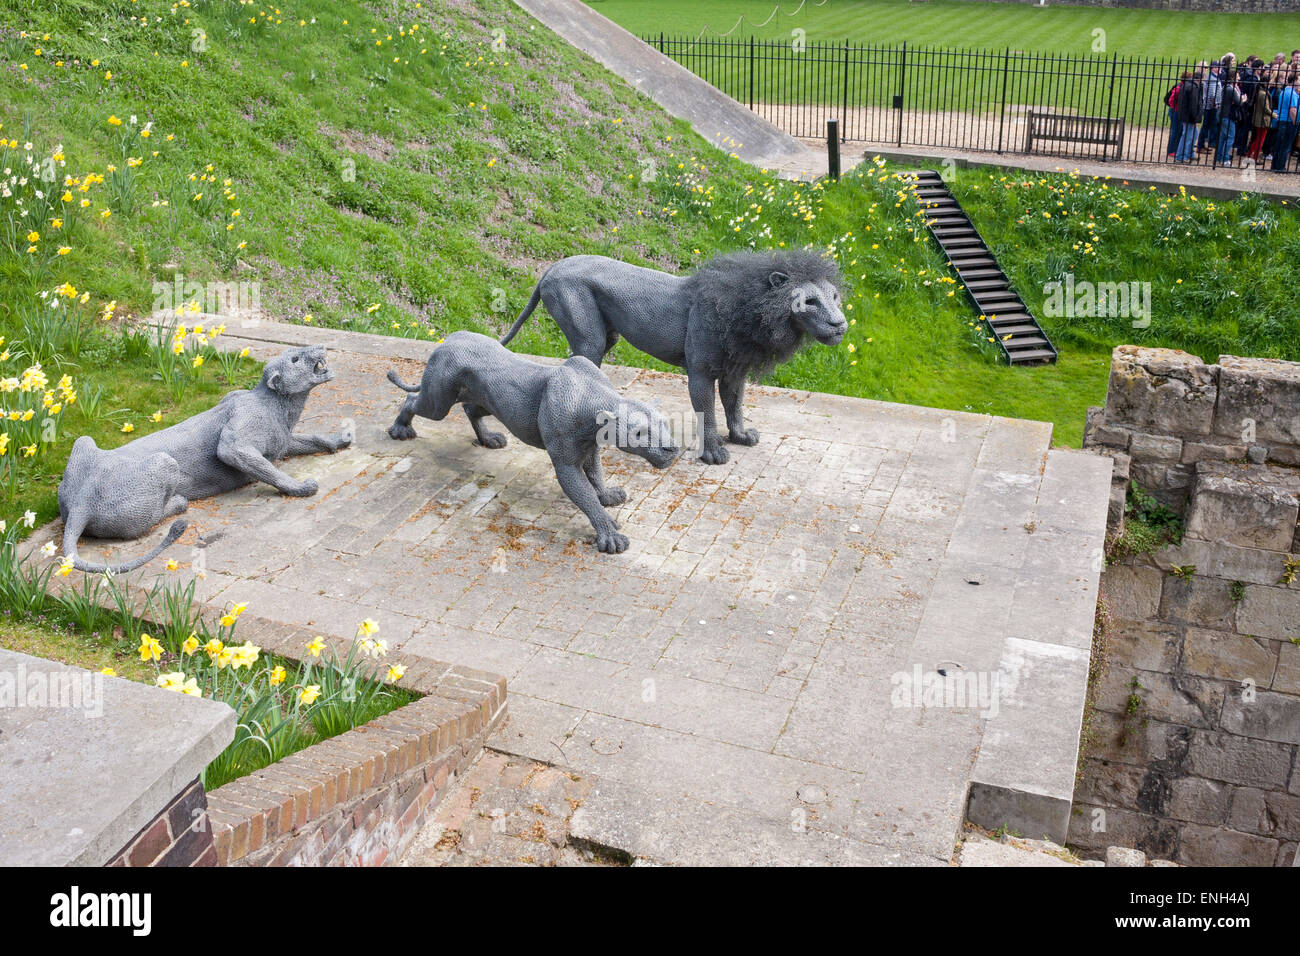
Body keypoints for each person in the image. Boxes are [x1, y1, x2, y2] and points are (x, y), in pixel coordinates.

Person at [1272, 75, 1300, 172]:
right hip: (1288, 122)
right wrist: (1295, 122)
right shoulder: (1292, 93)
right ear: (1295, 81)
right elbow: (1293, 110)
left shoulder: (1285, 91)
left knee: (1280, 144)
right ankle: (1280, 167)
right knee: (1286, 146)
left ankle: (1275, 165)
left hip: (1282, 121)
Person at [1198, 57, 1226, 154]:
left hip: (1210, 107)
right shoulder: (1212, 79)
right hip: (1210, 108)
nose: (1221, 69)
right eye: (1219, 67)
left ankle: (1202, 145)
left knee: (1207, 127)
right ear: (1214, 68)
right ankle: (1200, 146)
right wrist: (1215, 106)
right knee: (1205, 127)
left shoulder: (1213, 77)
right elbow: (1211, 95)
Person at [1177, 70, 1205, 163]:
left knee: (1193, 134)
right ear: (1199, 79)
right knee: (1187, 136)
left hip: (1186, 115)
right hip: (1189, 117)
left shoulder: (1188, 85)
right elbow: (1193, 105)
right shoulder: (1193, 87)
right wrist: (1195, 119)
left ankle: (1189, 154)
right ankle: (1180, 157)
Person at [1217, 69, 1242, 165]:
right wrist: (1243, 99)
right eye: (1237, 76)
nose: (1239, 78)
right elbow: (1239, 102)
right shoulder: (1230, 89)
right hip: (1227, 116)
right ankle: (1224, 159)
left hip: (1223, 115)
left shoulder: (1227, 87)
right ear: (1233, 78)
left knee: (1223, 137)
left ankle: (1220, 157)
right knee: (1230, 137)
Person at [1247, 75, 1272, 161]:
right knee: (1260, 140)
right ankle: (1254, 157)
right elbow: (1266, 108)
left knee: (1257, 139)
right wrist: (1273, 115)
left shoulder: (1259, 92)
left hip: (1258, 118)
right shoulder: (1263, 94)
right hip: (1263, 120)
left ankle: (1250, 154)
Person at [1165, 71, 1189, 159]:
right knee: (1175, 131)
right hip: (1175, 111)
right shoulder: (1179, 87)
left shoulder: (1183, 86)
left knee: (1179, 131)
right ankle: (1171, 150)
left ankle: (1176, 149)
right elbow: (1169, 100)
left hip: (1177, 111)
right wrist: (1175, 107)